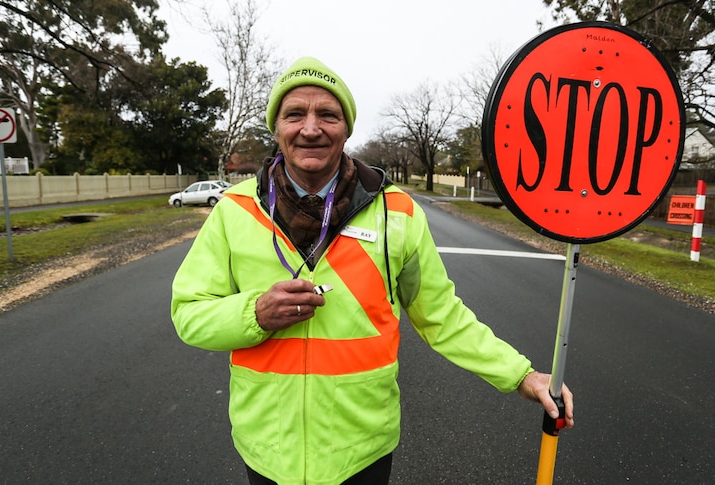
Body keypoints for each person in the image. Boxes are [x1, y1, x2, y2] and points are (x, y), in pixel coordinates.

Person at [171, 56, 574, 485]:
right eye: (295, 114)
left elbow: (442, 316)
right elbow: (189, 314)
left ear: (346, 129)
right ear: (276, 128)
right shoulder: (234, 210)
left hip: (362, 453)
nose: (310, 128)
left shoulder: (397, 212)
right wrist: (255, 314)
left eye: (327, 114)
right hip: (267, 449)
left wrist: (521, 375)